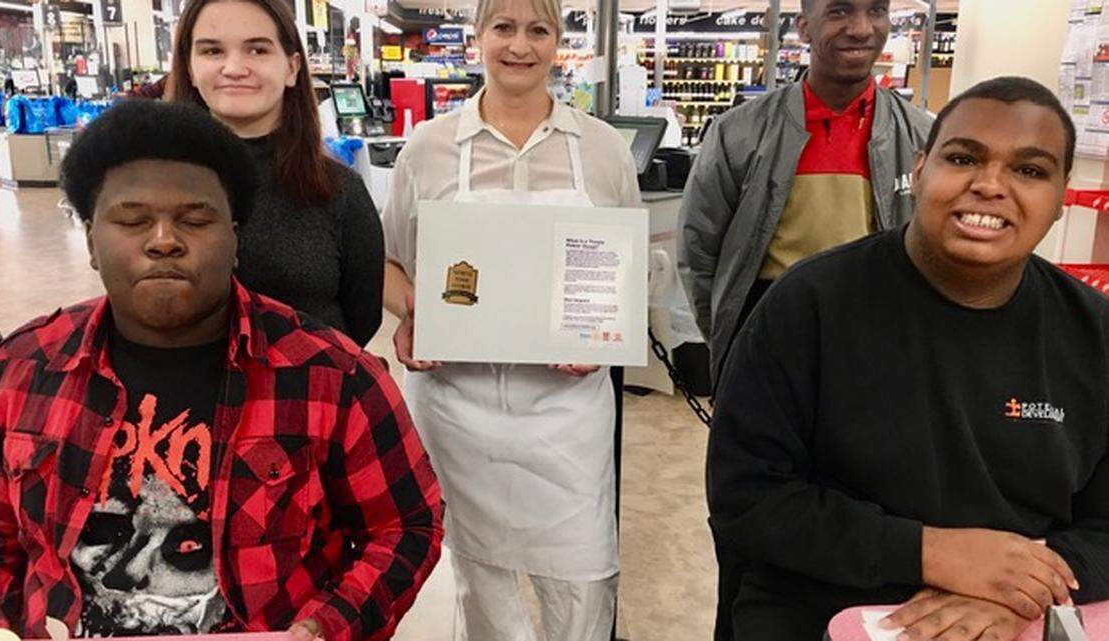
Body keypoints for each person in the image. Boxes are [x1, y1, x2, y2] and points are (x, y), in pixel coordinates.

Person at [0, 101, 443, 641]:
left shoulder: (332, 377)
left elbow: (407, 526)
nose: (163, 240)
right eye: (132, 220)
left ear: (235, 239)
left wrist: (325, 628)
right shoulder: (21, 372)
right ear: (92, 241)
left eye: (195, 220)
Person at [708, 76, 1109, 641]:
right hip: (824, 608)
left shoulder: (1093, 333)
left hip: (1019, 615)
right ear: (918, 171)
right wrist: (934, 554)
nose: (989, 186)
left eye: (1029, 170)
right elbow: (747, 497)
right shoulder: (809, 304)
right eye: (963, 158)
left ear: (1062, 196)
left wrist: (1021, 593)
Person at [380, 0, 641, 637]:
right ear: (478, 36)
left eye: (538, 30)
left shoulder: (602, 149)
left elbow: (625, 268)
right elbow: (387, 261)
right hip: (457, 408)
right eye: (503, 27)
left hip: (567, 415)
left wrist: (601, 331)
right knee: (481, 586)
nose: (519, 46)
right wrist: (416, 311)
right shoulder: (429, 147)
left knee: (582, 585)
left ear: (557, 41)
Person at [678, 0, 932, 390]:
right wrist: (727, 339)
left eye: (876, 11)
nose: (861, 28)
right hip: (766, 332)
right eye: (839, 11)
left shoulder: (921, 137)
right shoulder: (738, 133)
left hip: (878, 336)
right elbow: (699, 249)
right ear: (804, 28)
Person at [165, 0, 384, 347]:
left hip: (312, 379)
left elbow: (363, 317)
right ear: (189, 68)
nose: (234, 68)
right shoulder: (155, 189)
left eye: (257, 49)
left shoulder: (338, 190)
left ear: (292, 68)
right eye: (212, 51)